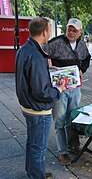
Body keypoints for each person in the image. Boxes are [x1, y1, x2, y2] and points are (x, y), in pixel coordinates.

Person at [15, 17, 66, 179]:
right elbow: (41, 92)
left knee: (32, 144)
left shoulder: (25, 49)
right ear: (44, 32)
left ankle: (33, 172)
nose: (50, 34)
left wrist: (48, 68)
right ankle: (37, 176)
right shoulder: (36, 55)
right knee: (38, 148)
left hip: (27, 106)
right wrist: (59, 89)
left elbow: (30, 75)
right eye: (49, 30)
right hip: (38, 109)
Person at [44, 18, 91, 165]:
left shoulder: (82, 45)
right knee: (59, 121)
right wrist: (50, 69)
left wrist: (82, 70)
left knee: (73, 119)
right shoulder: (56, 42)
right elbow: (42, 55)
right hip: (59, 89)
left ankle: (74, 145)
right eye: (69, 29)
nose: (71, 32)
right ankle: (62, 152)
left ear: (80, 32)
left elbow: (87, 59)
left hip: (75, 89)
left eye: (74, 30)